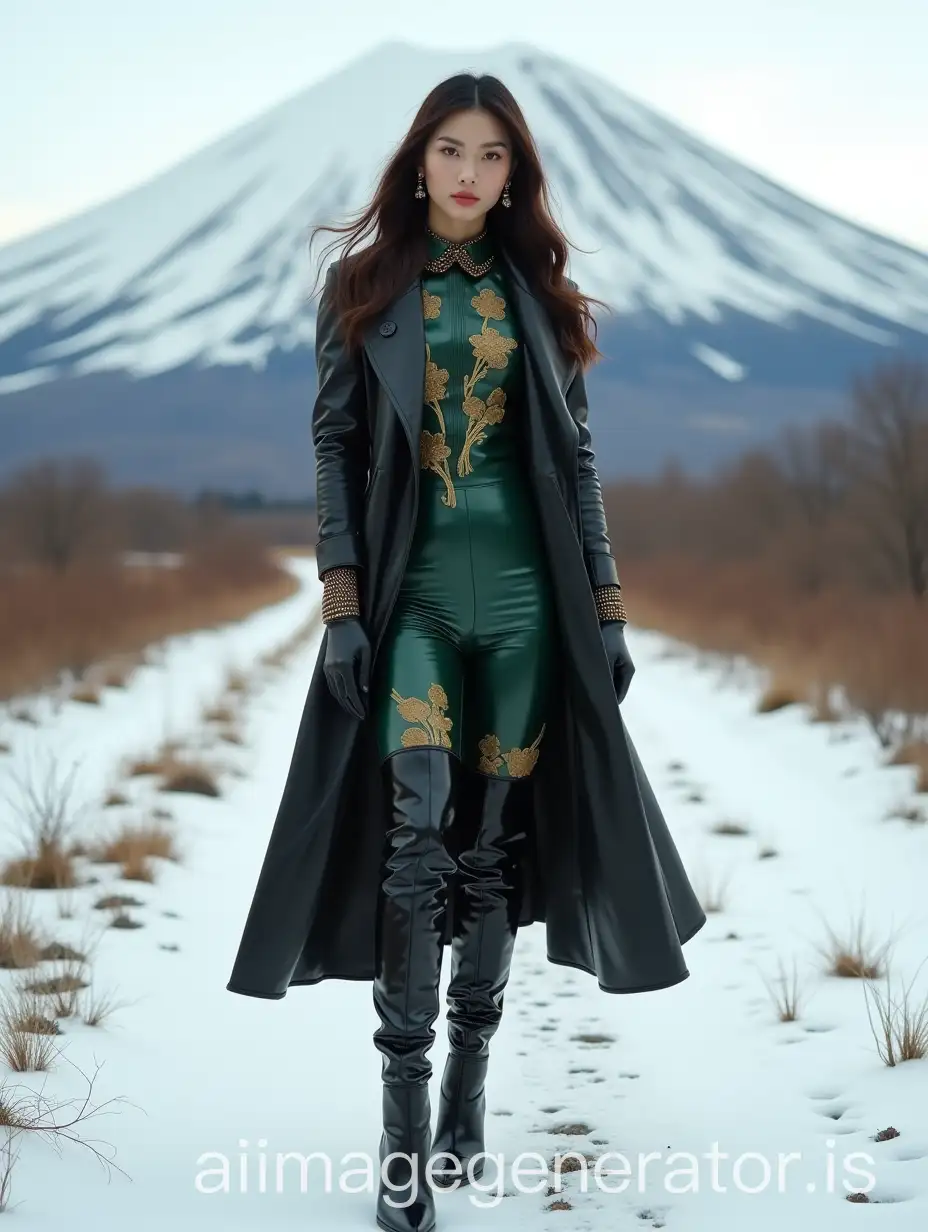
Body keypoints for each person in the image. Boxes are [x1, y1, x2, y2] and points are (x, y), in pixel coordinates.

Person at [226, 72, 706, 1232]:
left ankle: (467, 1093)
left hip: (530, 607)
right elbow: (334, 450)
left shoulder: (541, 298)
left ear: (513, 177)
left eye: (493, 157)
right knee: (414, 835)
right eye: (451, 148)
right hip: (415, 603)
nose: (469, 173)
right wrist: (342, 603)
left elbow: (578, 462)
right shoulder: (365, 289)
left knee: (490, 847)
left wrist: (605, 602)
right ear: (418, 159)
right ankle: (400, 1140)